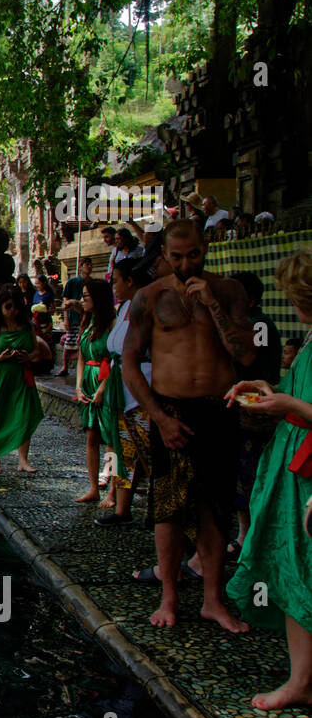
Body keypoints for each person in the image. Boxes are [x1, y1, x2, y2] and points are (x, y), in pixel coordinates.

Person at [121, 218, 256, 631]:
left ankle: (213, 600)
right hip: (171, 410)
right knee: (168, 509)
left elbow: (247, 356)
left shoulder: (230, 290)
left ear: (206, 247)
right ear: (165, 255)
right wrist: (158, 418)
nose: (185, 264)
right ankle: (170, 598)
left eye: (193, 254)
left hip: (218, 409)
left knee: (215, 508)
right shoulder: (149, 297)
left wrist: (212, 303)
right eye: (176, 256)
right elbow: (129, 362)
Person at [225, 250, 312, 710]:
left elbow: (304, 408)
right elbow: (298, 395)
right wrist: (267, 392)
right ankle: (301, 680)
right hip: (294, 471)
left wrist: (289, 408)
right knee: (294, 573)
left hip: (308, 477)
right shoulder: (310, 341)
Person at [98, 257, 155, 527]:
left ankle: (158, 509)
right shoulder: (124, 309)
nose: (114, 286)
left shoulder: (147, 308)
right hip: (120, 387)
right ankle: (123, 509)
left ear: (131, 281)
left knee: (147, 450)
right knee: (123, 449)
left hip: (142, 386)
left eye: (117, 281)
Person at [231, 271, 284, 554]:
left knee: (250, 474)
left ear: (249, 300)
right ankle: (244, 536)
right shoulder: (250, 323)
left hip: (255, 411)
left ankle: (248, 538)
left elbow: (250, 357)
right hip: (249, 407)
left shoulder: (259, 324)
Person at [0, 286, 43, 474]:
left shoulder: (27, 325)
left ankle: (23, 460)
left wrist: (27, 357)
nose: (13, 311)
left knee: (24, 414)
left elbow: (37, 350)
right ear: (0, 307)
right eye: (8, 307)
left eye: (16, 307)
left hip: (21, 374)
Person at [74, 278, 122, 504]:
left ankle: (113, 490)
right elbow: (81, 357)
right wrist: (78, 384)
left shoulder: (113, 324)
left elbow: (116, 359)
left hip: (107, 381)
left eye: (86, 296)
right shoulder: (87, 323)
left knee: (111, 439)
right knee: (91, 436)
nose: (82, 300)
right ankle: (93, 487)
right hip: (88, 380)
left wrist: (103, 387)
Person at [58, 258, 92, 376]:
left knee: (82, 343)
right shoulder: (73, 282)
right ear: (81, 267)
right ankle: (64, 366)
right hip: (73, 317)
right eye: (86, 264)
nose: (89, 267)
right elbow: (66, 300)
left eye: (90, 265)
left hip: (86, 317)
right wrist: (66, 318)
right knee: (69, 342)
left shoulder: (91, 283)